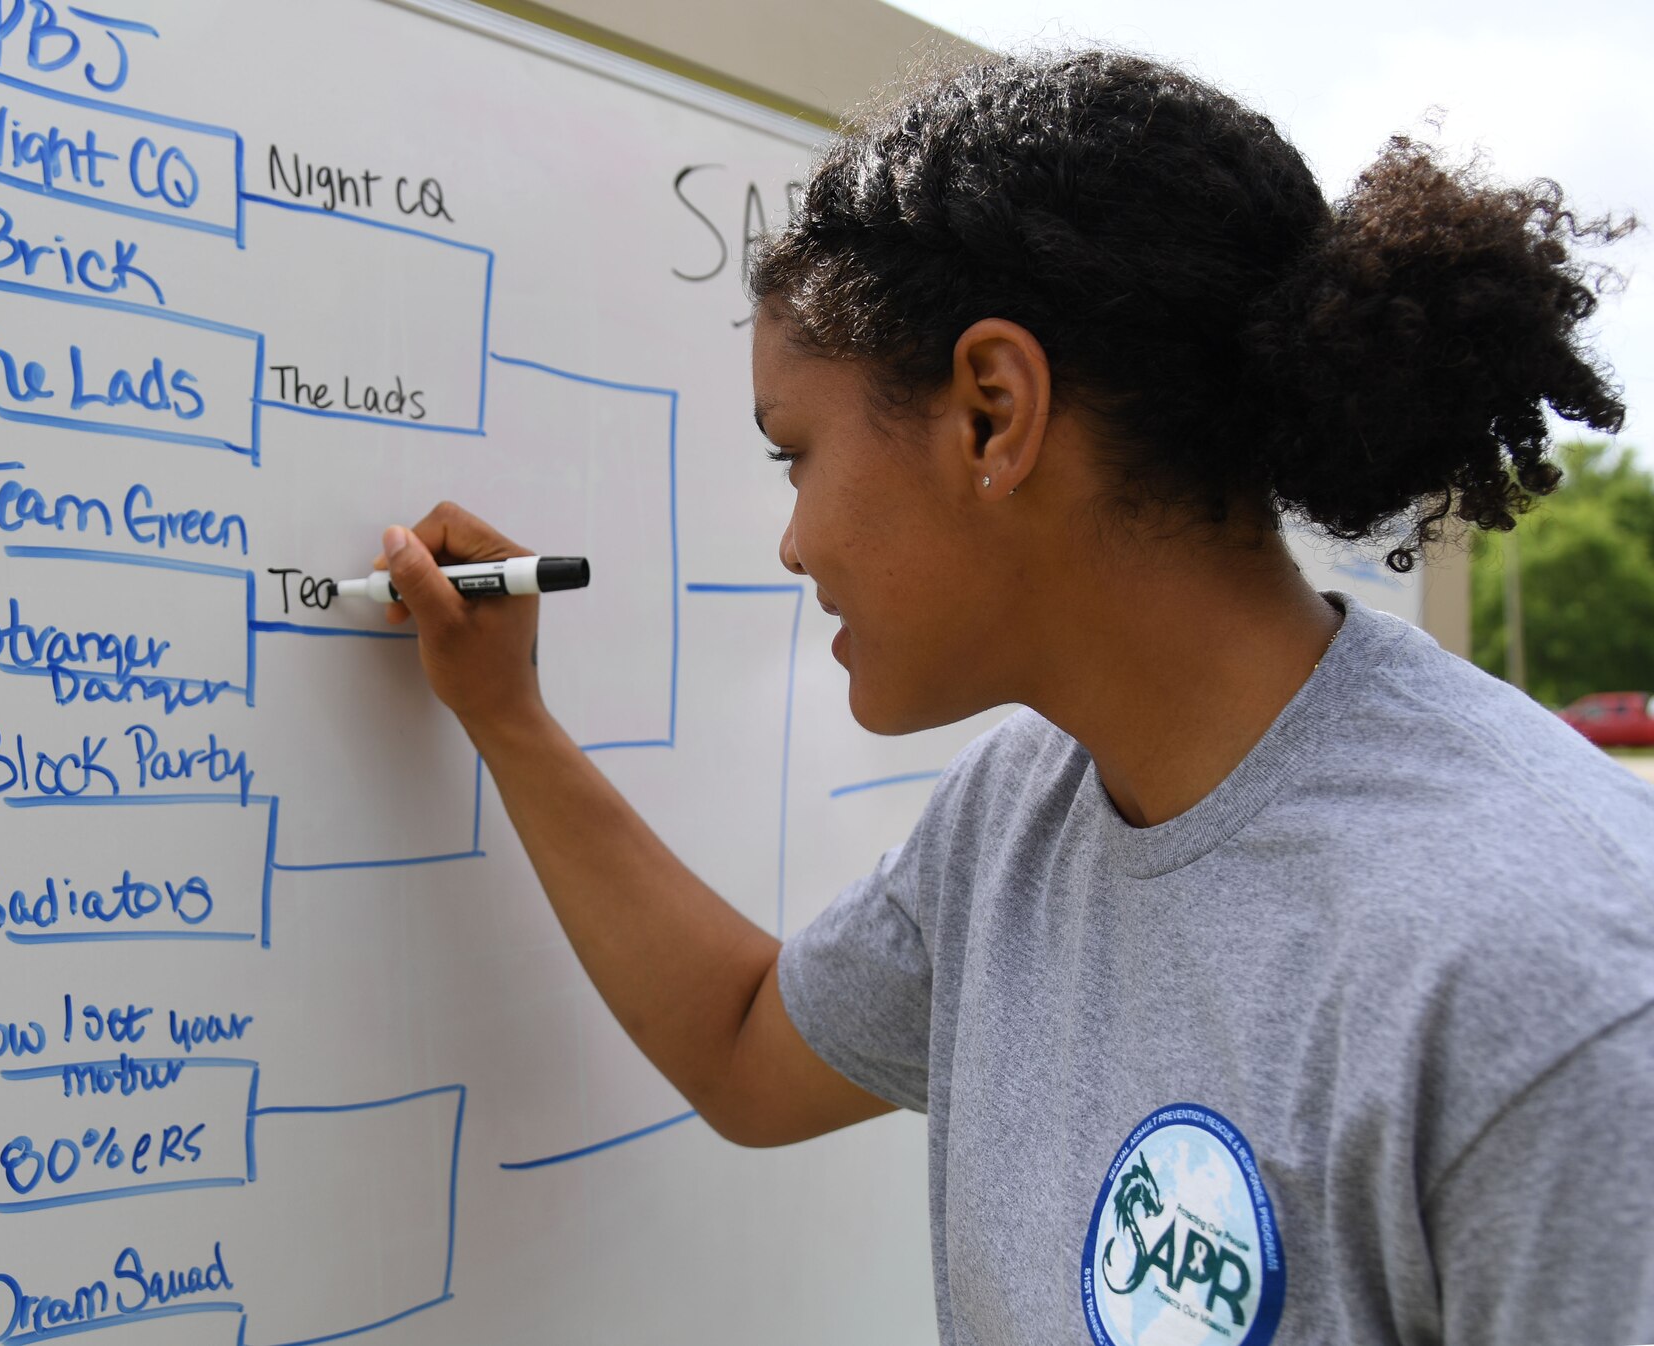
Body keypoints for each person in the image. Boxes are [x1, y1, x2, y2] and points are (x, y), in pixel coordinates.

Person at [368, 48, 1654, 1346]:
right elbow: (747, 1043)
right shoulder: (1015, 821)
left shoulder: (1558, 987)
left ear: (992, 413)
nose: (793, 541)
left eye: (796, 453)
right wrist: (506, 714)